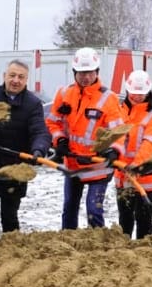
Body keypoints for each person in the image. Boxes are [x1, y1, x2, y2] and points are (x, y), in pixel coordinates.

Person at [46, 47, 125, 230]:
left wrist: (114, 150)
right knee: (69, 209)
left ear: (97, 72)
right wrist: (60, 140)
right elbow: (53, 123)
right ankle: (67, 243)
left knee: (93, 210)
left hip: (97, 166)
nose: (85, 77)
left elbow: (118, 130)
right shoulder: (64, 94)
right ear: (74, 72)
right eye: (81, 73)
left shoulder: (109, 98)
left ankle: (98, 247)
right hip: (73, 164)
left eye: (89, 72)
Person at [0, 59, 50, 246]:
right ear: (4, 76)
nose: (16, 80)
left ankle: (11, 253)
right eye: (12, 75)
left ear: (26, 80)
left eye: (21, 77)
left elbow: (39, 130)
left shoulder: (33, 104)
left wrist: (38, 150)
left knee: (9, 214)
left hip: (15, 167)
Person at [114, 70, 152, 240]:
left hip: (148, 173)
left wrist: (136, 165)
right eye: (134, 93)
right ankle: (124, 249)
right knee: (125, 216)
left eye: (141, 93)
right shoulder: (119, 111)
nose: (137, 96)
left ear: (148, 92)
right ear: (127, 90)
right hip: (123, 173)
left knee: (143, 217)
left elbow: (150, 143)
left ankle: (143, 253)